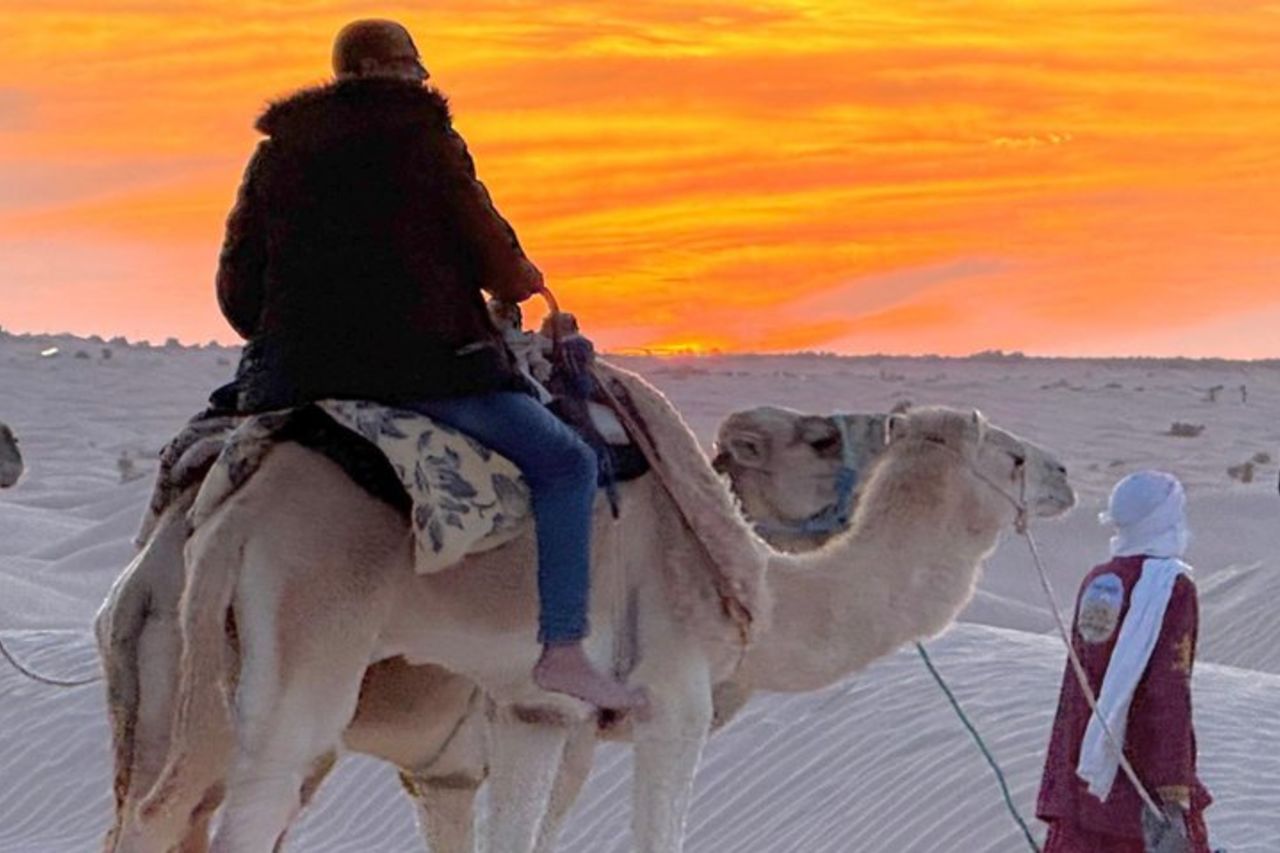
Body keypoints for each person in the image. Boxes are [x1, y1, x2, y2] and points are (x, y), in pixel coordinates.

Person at [214, 18, 645, 711]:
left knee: (196, 458)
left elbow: (238, 291)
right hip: (426, 371)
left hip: (293, 377)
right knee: (567, 463)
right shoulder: (427, 142)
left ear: (343, 77)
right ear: (408, 73)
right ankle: (563, 647)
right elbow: (493, 255)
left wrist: (290, 339)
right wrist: (521, 277)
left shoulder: (277, 154)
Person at [1037, 471, 1212, 852]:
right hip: (1140, 786)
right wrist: (1172, 793)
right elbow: (1168, 691)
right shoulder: (1169, 586)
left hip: (1087, 778)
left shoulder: (1099, 579)